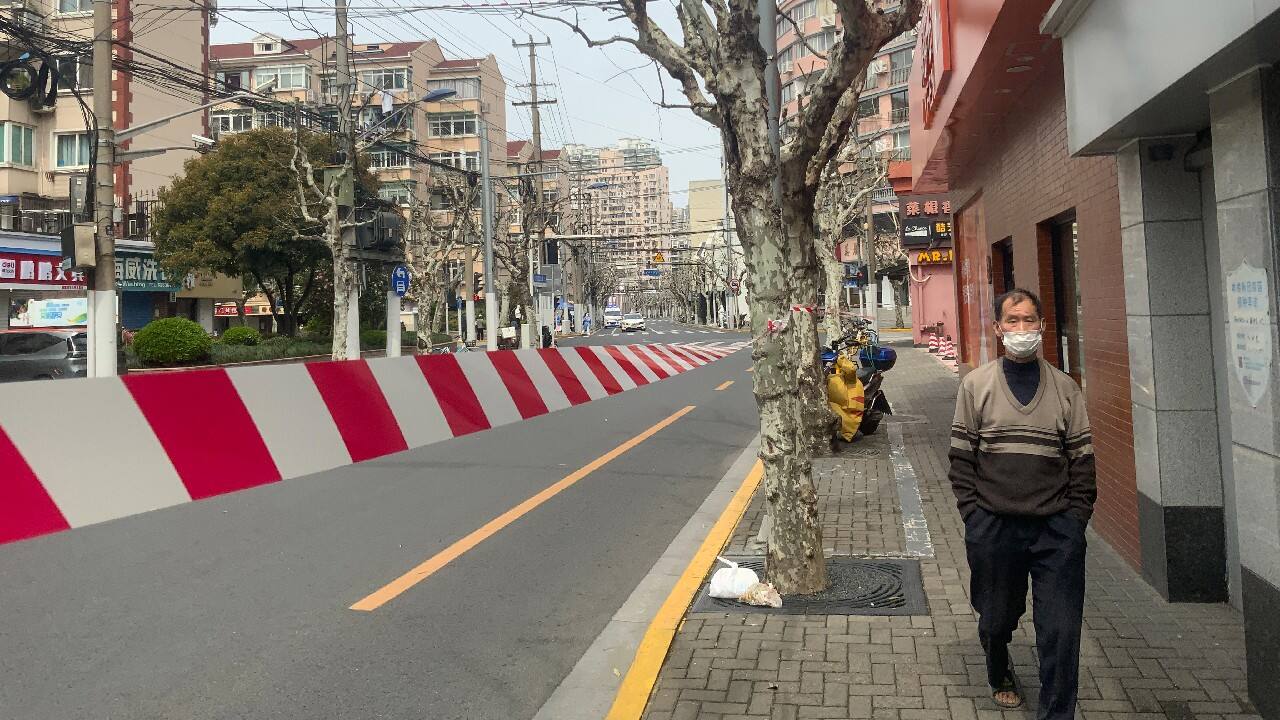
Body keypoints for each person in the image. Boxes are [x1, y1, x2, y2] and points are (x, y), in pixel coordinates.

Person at [948, 288, 1096, 719]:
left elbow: (1083, 461)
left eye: (1028, 320)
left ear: (1043, 326)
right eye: (1011, 322)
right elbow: (961, 459)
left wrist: (1075, 520)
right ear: (998, 329)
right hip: (994, 526)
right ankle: (999, 667)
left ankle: (1056, 712)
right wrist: (974, 516)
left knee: (1061, 630)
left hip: (1056, 530)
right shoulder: (976, 386)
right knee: (996, 617)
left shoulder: (1067, 389)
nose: (1021, 330)